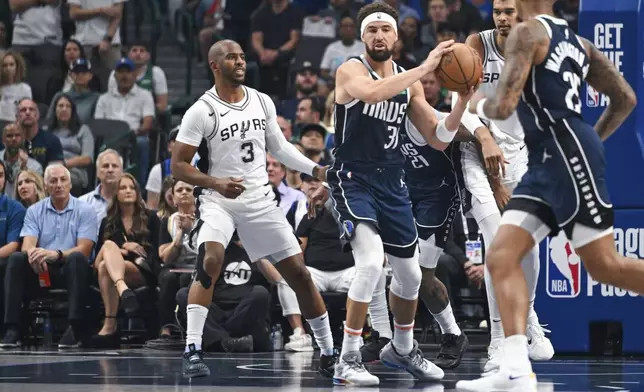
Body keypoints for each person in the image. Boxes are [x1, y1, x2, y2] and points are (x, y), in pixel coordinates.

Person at [457, 1, 639, 391]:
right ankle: (516, 367)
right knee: (502, 255)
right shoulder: (579, 43)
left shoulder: (526, 33)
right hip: (549, 159)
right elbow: (625, 99)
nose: (505, 11)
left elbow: (503, 104)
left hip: (563, 156)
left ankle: (515, 360)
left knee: (606, 266)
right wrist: (590, 143)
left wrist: (473, 98)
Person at [309, 2, 473, 386]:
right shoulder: (350, 70)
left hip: (393, 182)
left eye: (385, 29)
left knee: (411, 275)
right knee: (369, 263)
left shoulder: (409, 82)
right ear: (363, 36)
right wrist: (426, 67)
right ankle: (347, 359)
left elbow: (438, 137)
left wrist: (463, 99)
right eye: (372, 30)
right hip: (353, 178)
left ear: (396, 37)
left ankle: (402, 349)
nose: (378, 35)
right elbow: (371, 94)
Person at [171, 39, 336, 379]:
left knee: (301, 276)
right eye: (232, 57)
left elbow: (280, 147)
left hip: (260, 200)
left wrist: (315, 170)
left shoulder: (261, 101)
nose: (241, 62)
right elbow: (178, 165)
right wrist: (214, 183)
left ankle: (329, 351)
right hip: (220, 201)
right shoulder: (201, 110)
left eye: (243, 57)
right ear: (215, 65)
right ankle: (192, 349)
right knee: (211, 260)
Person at [455, 0, 553, 373]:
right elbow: (461, 107)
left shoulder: (537, 48)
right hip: (476, 148)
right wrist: (484, 138)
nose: (502, 17)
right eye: (497, 10)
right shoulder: (476, 46)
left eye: (509, 11)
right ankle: (498, 340)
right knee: (498, 244)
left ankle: (527, 319)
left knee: (526, 243)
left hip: (521, 151)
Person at [361, 106, 471, 369]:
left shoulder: (422, 113)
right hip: (402, 191)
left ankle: (452, 333)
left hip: (438, 195)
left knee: (420, 275)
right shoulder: (378, 120)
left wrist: (486, 137)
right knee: (372, 259)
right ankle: (384, 335)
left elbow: (466, 131)